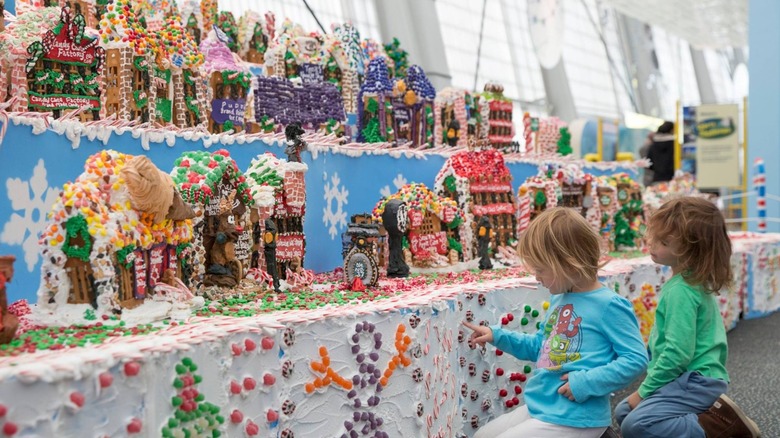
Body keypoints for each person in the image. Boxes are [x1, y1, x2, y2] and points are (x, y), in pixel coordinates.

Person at [464, 208, 648, 438]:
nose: (536, 278)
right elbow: (541, 349)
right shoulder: (559, 299)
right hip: (546, 408)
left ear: (568, 264)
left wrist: (585, 383)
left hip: (577, 417)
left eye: (540, 270)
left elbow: (636, 359)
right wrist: (496, 335)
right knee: (483, 435)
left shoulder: (610, 305)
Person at [616, 197, 761, 438]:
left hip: (693, 380)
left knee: (635, 425)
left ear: (691, 250)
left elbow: (678, 354)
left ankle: (718, 428)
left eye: (662, 241)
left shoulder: (681, 291)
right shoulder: (688, 281)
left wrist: (643, 392)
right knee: (623, 413)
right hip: (689, 377)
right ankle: (705, 417)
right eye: (653, 236)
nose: (651, 244)